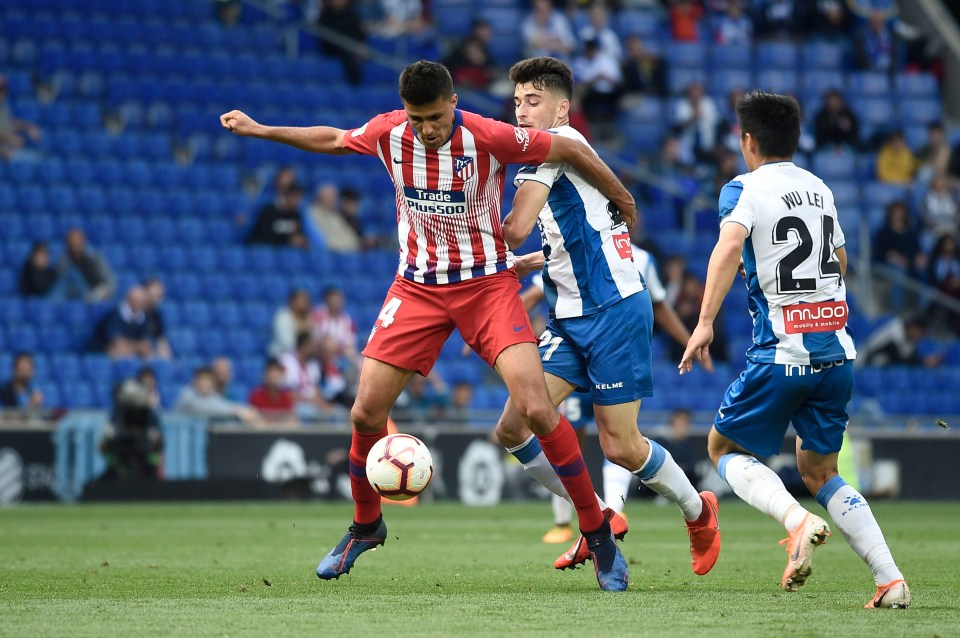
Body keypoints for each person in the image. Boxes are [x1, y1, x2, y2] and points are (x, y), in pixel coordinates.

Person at [220, 59, 636, 590]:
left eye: (436, 117)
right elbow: (331, 139)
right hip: (416, 288)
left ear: (454, 103)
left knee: (536, 407)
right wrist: (262, 129)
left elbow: (572, 148)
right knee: (365, 411)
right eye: (418, 119)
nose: (427, 129)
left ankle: (597, 532)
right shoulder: (389, 132)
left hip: (487, 286)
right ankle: (366, 526)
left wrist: (623, 198)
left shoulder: (489, 136)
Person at [679, 90, 910, 609]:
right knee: (820, 471)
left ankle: (797, 520)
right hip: (837, 351)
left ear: (748, 140)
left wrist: (705, 322)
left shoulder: (742, 188)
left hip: (784, 351)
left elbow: (729, 246)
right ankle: (890, 579)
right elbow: (842, 261)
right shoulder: (820, 188)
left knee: (723, 449)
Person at [495, 57, 720, 578]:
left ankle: (698, 512)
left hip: (615, 311)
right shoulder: (565, 151)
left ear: (561, 108)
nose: (522, 112)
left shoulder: (550, 151)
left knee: (620, 445)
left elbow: (515, 228)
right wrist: (535, 261)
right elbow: (566, 231)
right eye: (517, 103)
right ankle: (596, 516)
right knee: (512, 426)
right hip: (571, 315)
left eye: (533, 102)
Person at [174, 367, 260, 425]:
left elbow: (221, 403)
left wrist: (244, 409)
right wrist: (236, 411)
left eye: (208, 380)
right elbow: (204, 407)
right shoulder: (187, 395)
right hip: (179, 435)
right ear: (195, 381)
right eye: (202, 379)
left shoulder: (211, 395)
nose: (205, 384)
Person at [87, 285, 154, 359]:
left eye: (142, 303)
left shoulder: (144, 317)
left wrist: (133, 346)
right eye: (136, 302)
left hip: (130, 352)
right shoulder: (114, 315)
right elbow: (118, 344)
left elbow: (146, 345)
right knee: (118, 352)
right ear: (129, 300)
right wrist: (138, 346)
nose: (140, 305)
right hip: (101, 353)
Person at [54, 228, 116, 302]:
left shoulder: (95, 257)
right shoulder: (63, 261)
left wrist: (100, 293)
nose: (75, 249)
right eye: (72, 245)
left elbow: (110, 282)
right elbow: (60, 284)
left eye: (77, 244)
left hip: (95, 294)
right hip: (74, 297)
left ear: (83, 243)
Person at [246, 183, 309, 248]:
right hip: (263, 248)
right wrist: (288, 240)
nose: (298, 201)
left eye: (300, 198)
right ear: (287, 196)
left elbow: (299, 234)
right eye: (295, 198)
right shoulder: (269, 211)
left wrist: (301, 240)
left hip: (285, 251)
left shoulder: (296, 215)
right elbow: (265, 234)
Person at [0, 73, 42, 161]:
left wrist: (28, 127)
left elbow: (9, 123)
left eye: (3, 89)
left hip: (10, 150)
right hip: (4, 153)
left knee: (42, 160)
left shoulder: (3, 107)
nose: (2, 93)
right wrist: (9, 138)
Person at [248, 357, 299, 425]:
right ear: (265, 375)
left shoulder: (287, 397)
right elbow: (252, 417)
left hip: (281, 433)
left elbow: (290, 419)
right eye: (271, 372)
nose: (274, 376)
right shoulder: (256, 395)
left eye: (277, 373)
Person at [269, 288, 314, 357]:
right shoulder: (283, 317)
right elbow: (287, 343)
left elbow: (314, 341)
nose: (305, 304)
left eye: (306, 301)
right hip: (281, 357)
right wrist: (301, 331)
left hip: (303, 358)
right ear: (293, 302)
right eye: (301, 301)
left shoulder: (309, 318)